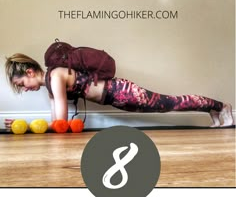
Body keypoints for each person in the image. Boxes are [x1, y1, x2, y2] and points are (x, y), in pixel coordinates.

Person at [5, 53, 234, 129]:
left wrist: (26, 126)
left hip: (121, 91)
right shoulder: (51, 84)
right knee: (168, 106)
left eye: (22, 84)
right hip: (117, 98)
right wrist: (25, 126)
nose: (25, 90)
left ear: (30, 72)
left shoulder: (55, 76)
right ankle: (214, 111)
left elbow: (61, 123)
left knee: (171, 103)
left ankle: (221, 107)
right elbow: (57, 123)